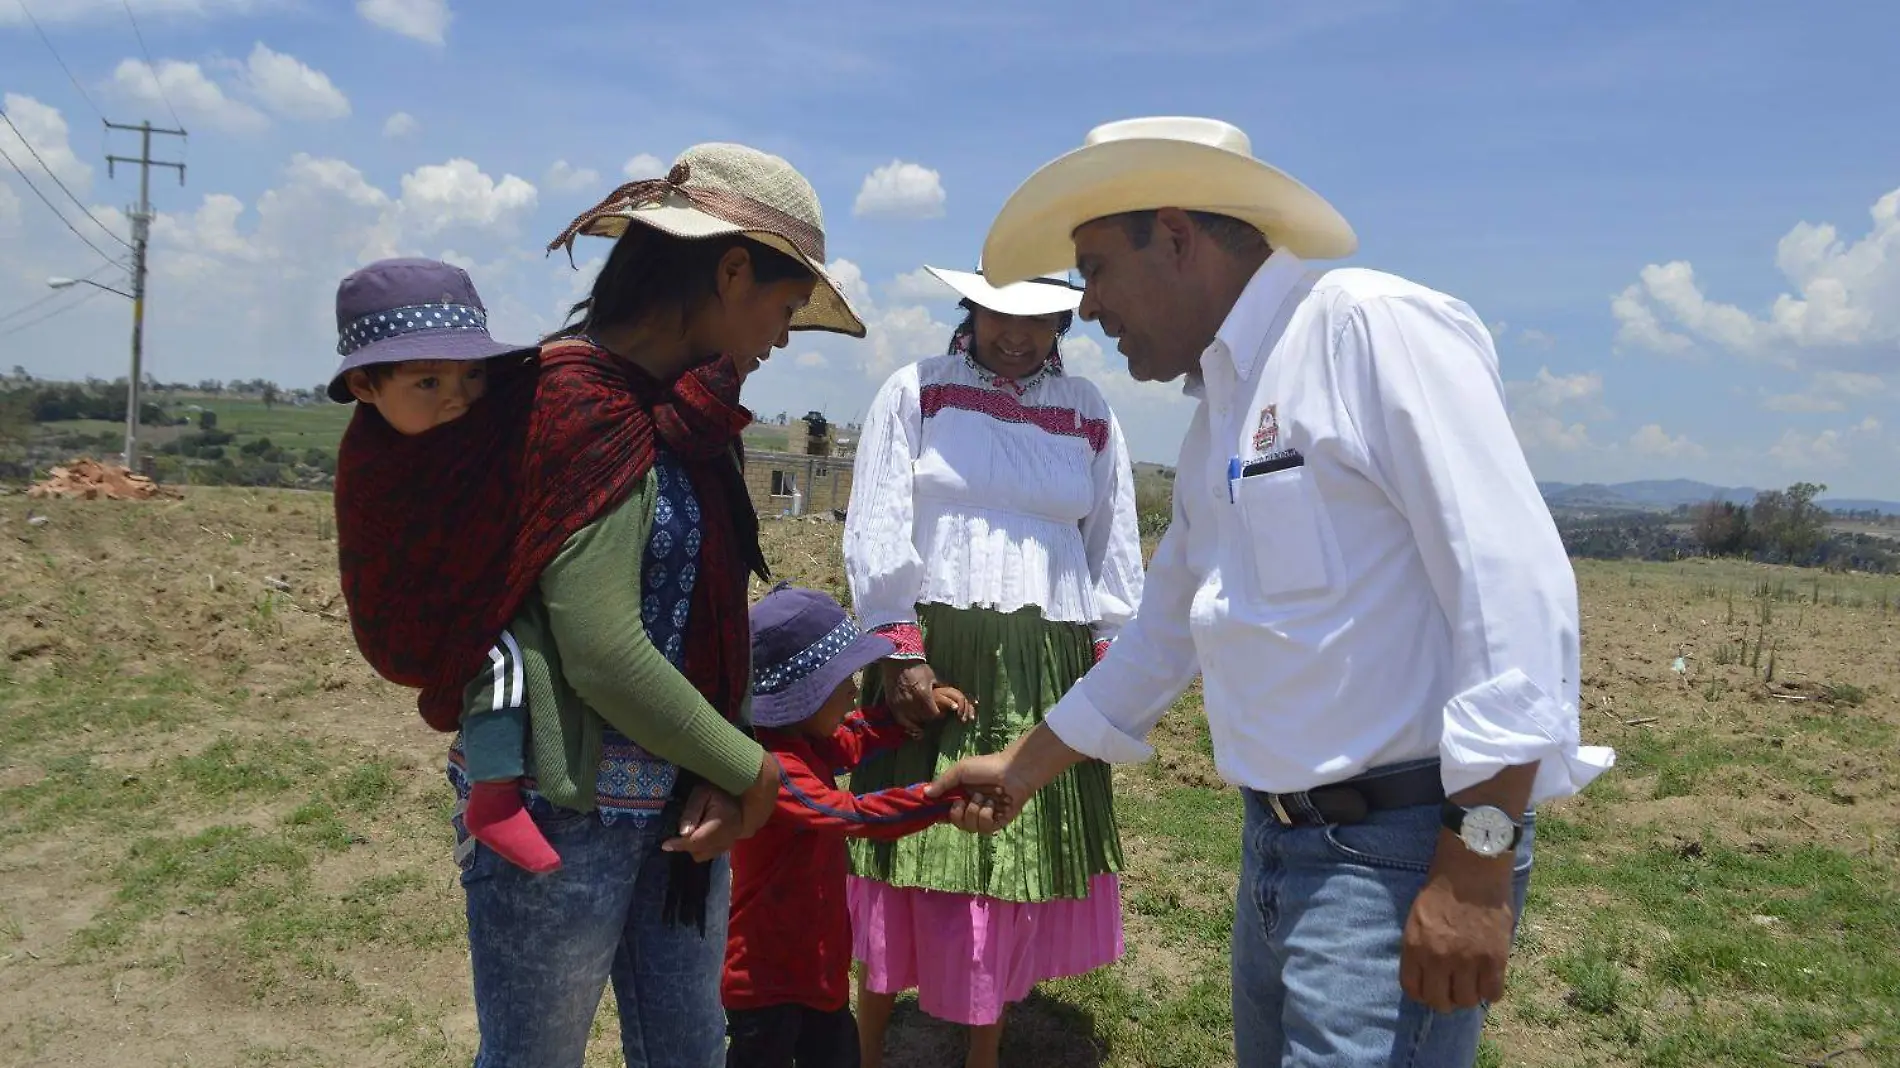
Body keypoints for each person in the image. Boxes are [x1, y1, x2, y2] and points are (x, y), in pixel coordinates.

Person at [932, 116, 1618, 1068]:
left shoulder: (1366, 328)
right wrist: (1022, 768)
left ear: (1175, 235)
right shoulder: (1226, 407)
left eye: (1094, 267)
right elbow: (1166, 630)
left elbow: (1510, 583)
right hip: (1282, 847)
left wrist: (1477, 862)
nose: (1086, 308)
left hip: (1404, 852)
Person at [334, 142, 867, 1068]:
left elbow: (702, 621)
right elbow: (601, 648)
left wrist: (717, 768)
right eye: (785, 309)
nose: (783, 337)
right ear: (730, 270)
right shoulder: (582, 405)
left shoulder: (684, 415)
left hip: (676, 813)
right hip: (561, 810)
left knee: (691, 1051)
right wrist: (753, 770)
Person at [841, 259, 1145, 1068]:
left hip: (1049, 660)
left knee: (1005, 850)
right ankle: (865, 1046)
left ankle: (984, 1049)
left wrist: (1109, 660)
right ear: (968, 310)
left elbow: (1110, 541)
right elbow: (877, 517)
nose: (1015, 336)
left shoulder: (1087, 411)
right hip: (933, 649)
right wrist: (899, 645)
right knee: (904, 837)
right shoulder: (918, 390)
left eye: (1038, 318)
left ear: (1061, 326)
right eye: (997, 314)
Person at [326, 257, 570, 875]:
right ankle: (494, 795)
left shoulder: (468, 436)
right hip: (410, 619)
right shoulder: (374, 464)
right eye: (428, 383)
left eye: (471, 375)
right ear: (365, 387)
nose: (458, 398)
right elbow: (397, 548)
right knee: (501, 655)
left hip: (454, 598)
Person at [723, 584, 986, 1068]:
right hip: (766, 985)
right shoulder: (775, 767)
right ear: (803, 696)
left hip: (817, 970)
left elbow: (853, 736)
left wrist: (907, 716)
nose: (851, 689)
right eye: (841, 680)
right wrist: (943, 796)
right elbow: (851, 814)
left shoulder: (808, 740)